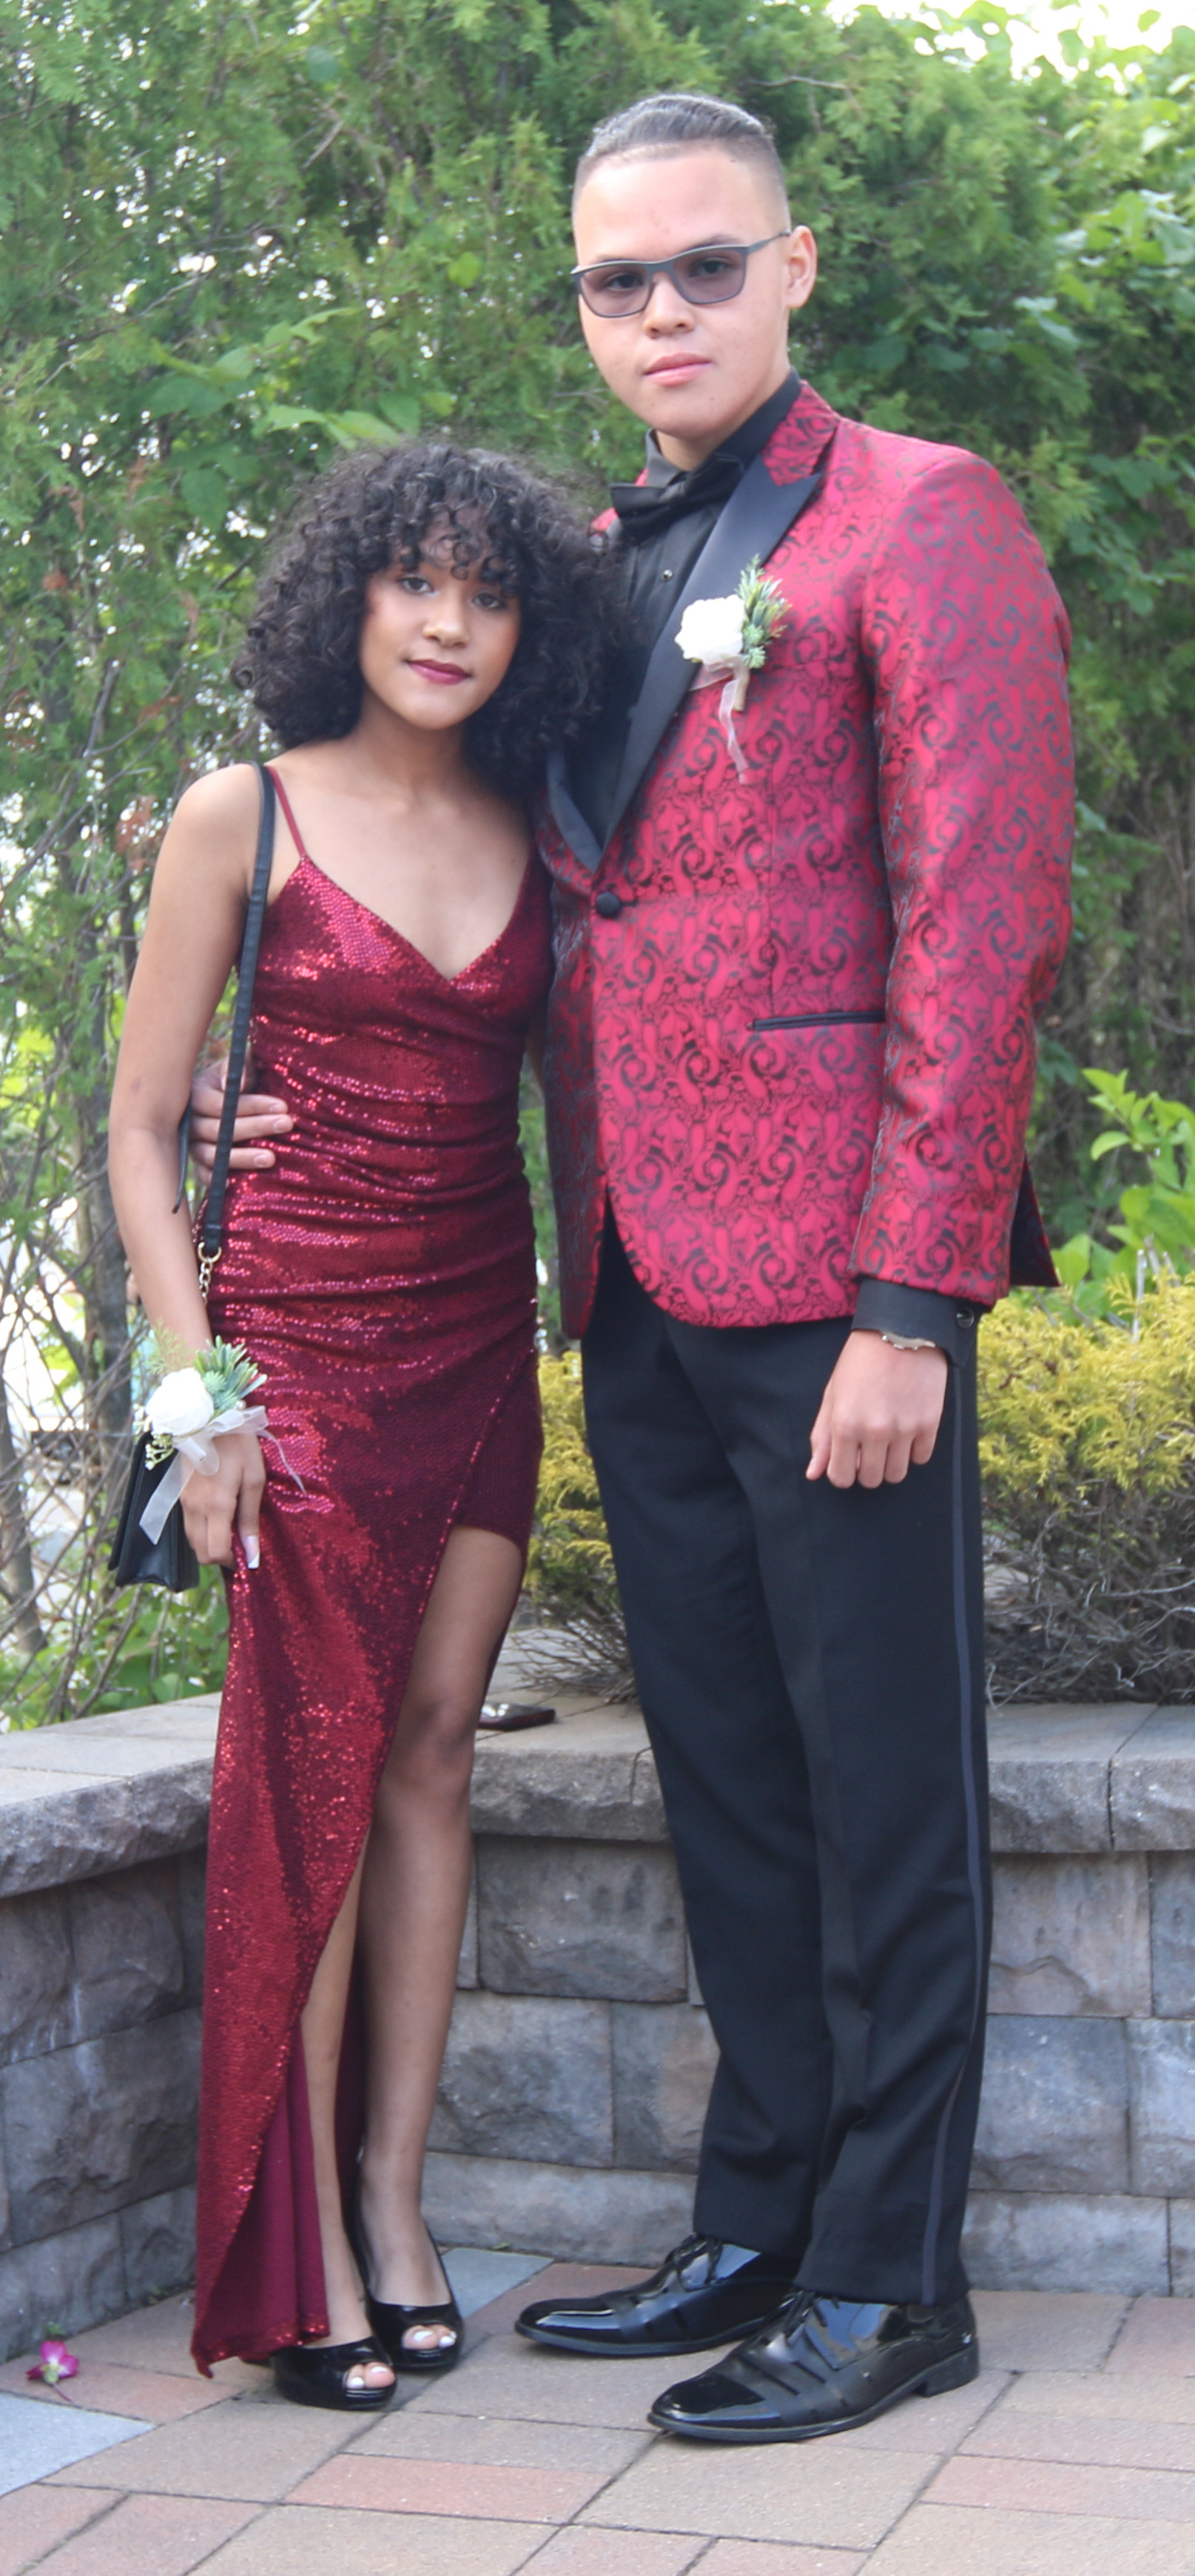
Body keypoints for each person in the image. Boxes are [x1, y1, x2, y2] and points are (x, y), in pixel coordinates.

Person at [198, 90, 1074, 2444]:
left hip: (839, 1288)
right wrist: (260, 1083)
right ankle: (758, 2212)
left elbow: (981, 929)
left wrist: (915, 1301)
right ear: (583, 305)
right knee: (732, 1782)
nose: (662, 308)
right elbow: (453, 862)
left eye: (704, 264)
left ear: (796, 268)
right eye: (617, 279)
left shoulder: (921, 517)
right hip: (627, 1279)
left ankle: (893, 2286)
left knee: (885, 1793)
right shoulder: (576, 564)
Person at [108, 442, 606, 2407]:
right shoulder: (246, 816)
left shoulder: (536, 827)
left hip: (482, 1340)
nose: (448, 622)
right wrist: (200, 1399)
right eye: (412, 582)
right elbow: (145, 1131)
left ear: (522, 626)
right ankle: (295, 2247)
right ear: (350, 598)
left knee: (425, 1761)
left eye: (485, 594)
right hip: (292, 1364)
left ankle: (393, 2205)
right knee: (304, 1782)